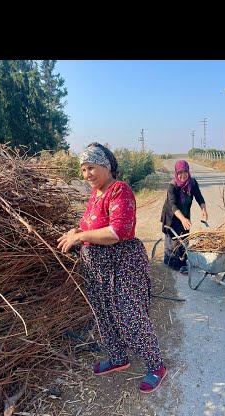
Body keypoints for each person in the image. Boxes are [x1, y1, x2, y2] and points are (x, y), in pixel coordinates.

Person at [57, 143, 167, 393]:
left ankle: (156, 366)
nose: (87, 175)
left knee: (131, 315)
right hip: (97, 270)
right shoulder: (95, 195)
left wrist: (81, 235)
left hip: (122, 265)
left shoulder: (120, 190)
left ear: (105, 166)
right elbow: (89, 226)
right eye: (83, 170)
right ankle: (119, 358)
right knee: (103, 314)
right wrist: (77, 232)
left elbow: (116, 232)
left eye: (91, 168)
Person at [160, 160, 208, 274]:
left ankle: (182, 263)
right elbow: (172, 205)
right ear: (176, 173)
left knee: (185, 238)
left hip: (185, 214)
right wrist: (182, 219)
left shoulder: (193, 183)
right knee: (173, 240)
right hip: (172, 216)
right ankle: (171, 263)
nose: (183, 175)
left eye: (185, 172)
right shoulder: (172, 186)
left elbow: (199, 197)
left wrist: (204, 210)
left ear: (188, 171)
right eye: (180, 172)